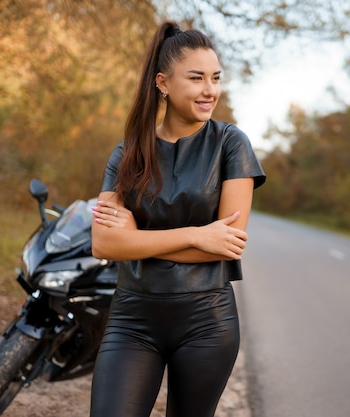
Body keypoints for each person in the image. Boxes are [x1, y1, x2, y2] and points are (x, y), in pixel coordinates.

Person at [89, 21, 265, 417]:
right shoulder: (129, 152)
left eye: (216, 78)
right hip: (132, 318)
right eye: (197, 77)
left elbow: (227, 244)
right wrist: (197, 235)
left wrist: (138, 241)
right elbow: (104, 244)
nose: (210, 90)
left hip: (207, 321)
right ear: (163, 83)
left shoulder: (230, 143)